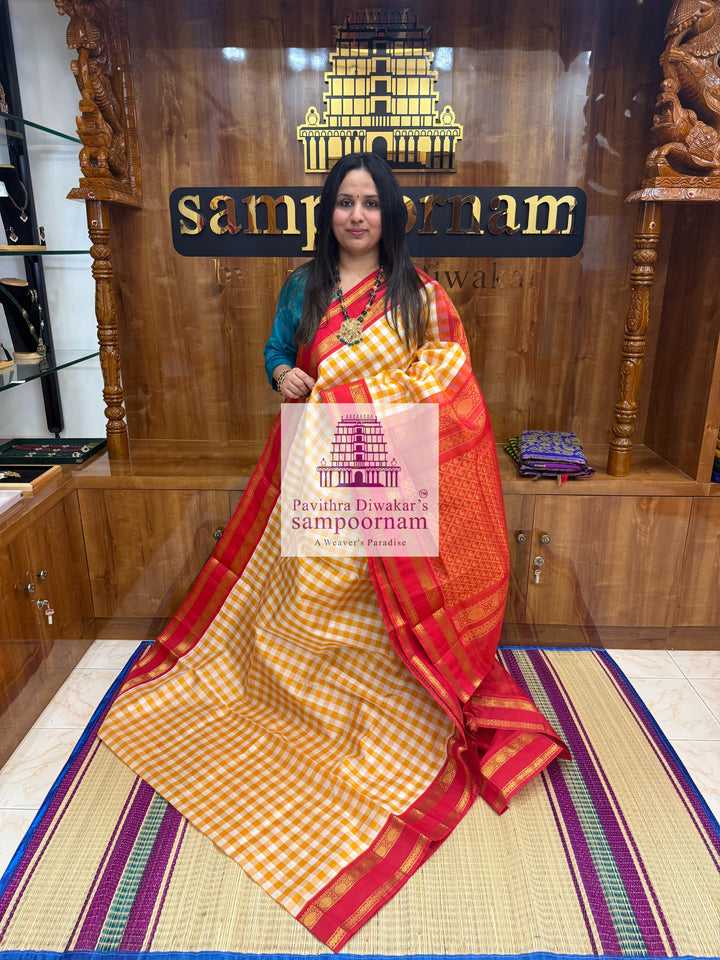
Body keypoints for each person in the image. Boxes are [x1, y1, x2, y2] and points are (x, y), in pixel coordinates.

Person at [99, 153, 569, 952]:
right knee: (314, 592)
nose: (357, 215)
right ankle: (312, 709)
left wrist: (361, 395)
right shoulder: (304, 288)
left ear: (390, 214)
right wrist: (284, 373)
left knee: (384, 599)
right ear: (330, 213)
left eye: (370, 203)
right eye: (345, 203)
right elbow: (277, 353)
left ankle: (391, 714)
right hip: (317, 461)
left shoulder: (420, 295)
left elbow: (448, 378)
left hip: (390, 465)